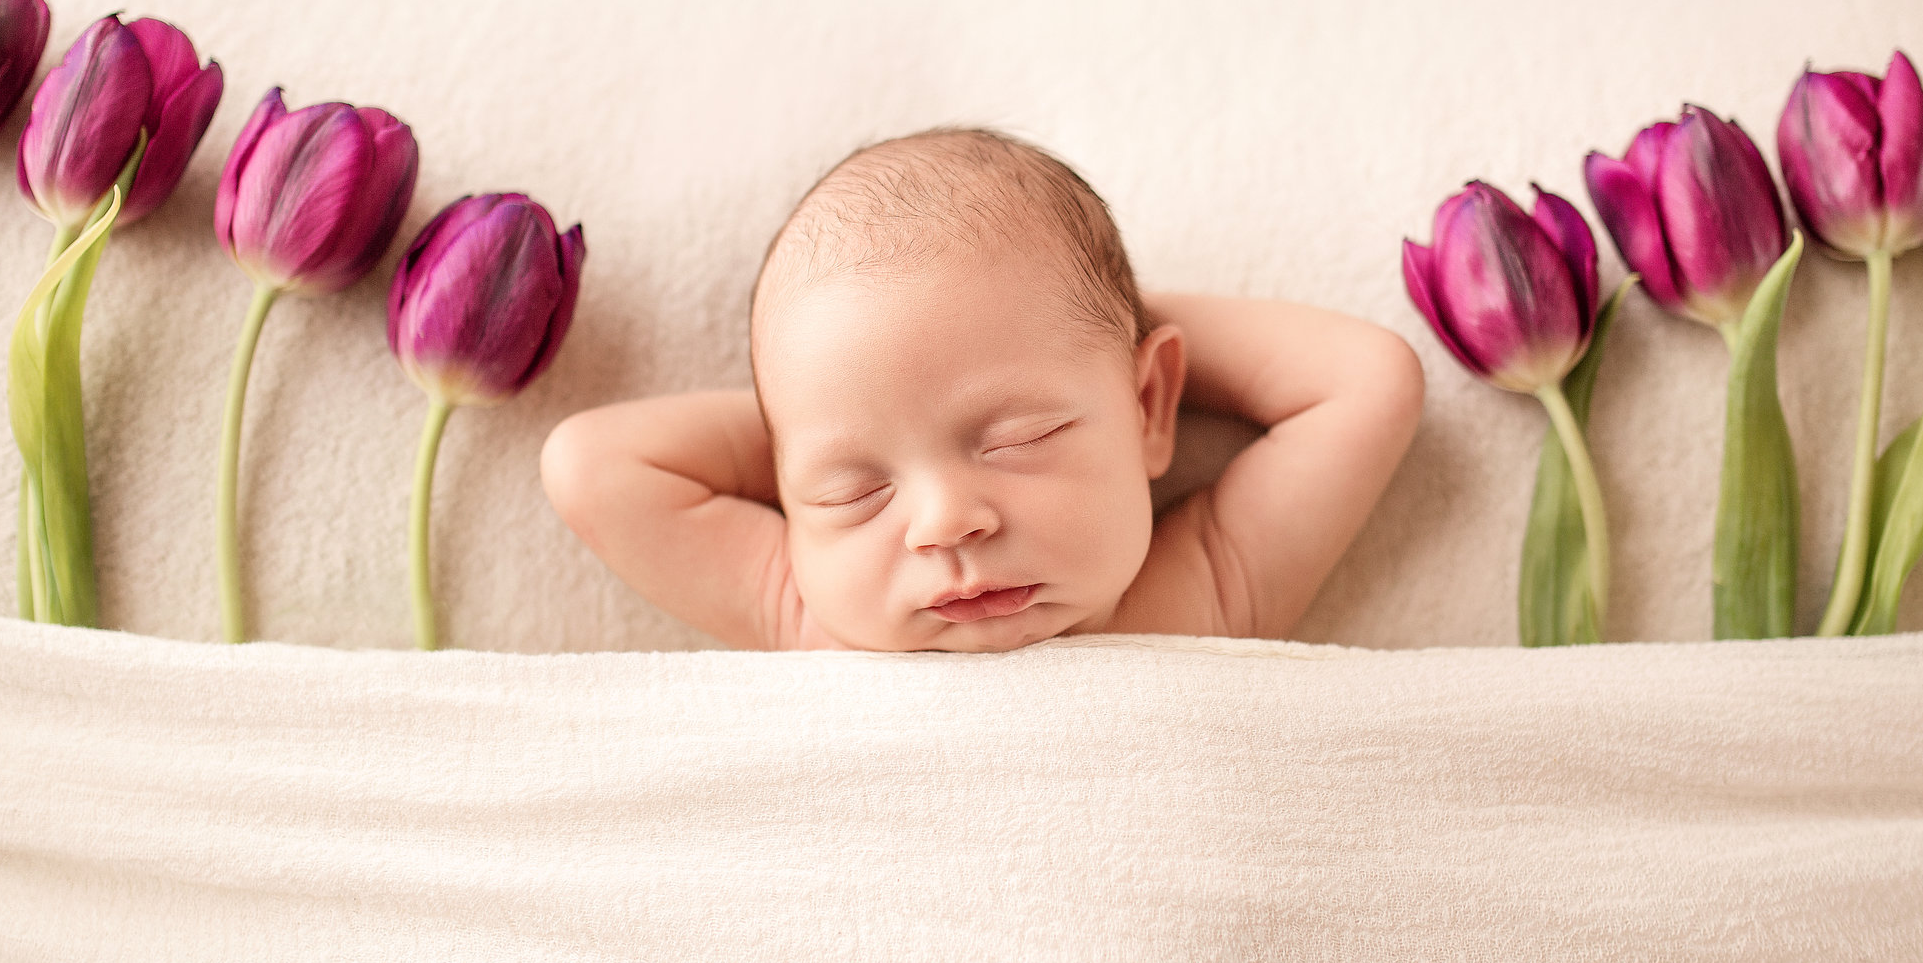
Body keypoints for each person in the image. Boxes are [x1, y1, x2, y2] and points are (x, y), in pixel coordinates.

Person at [542, 126, 1422, 651]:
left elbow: (1363, 381)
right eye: (854, 490)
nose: (943, 523)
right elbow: (591, 466)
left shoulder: (1202, 592)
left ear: (1150, 405)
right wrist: (807, 418)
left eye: (1021, 438)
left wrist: (1105, 321)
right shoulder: (818, 624)